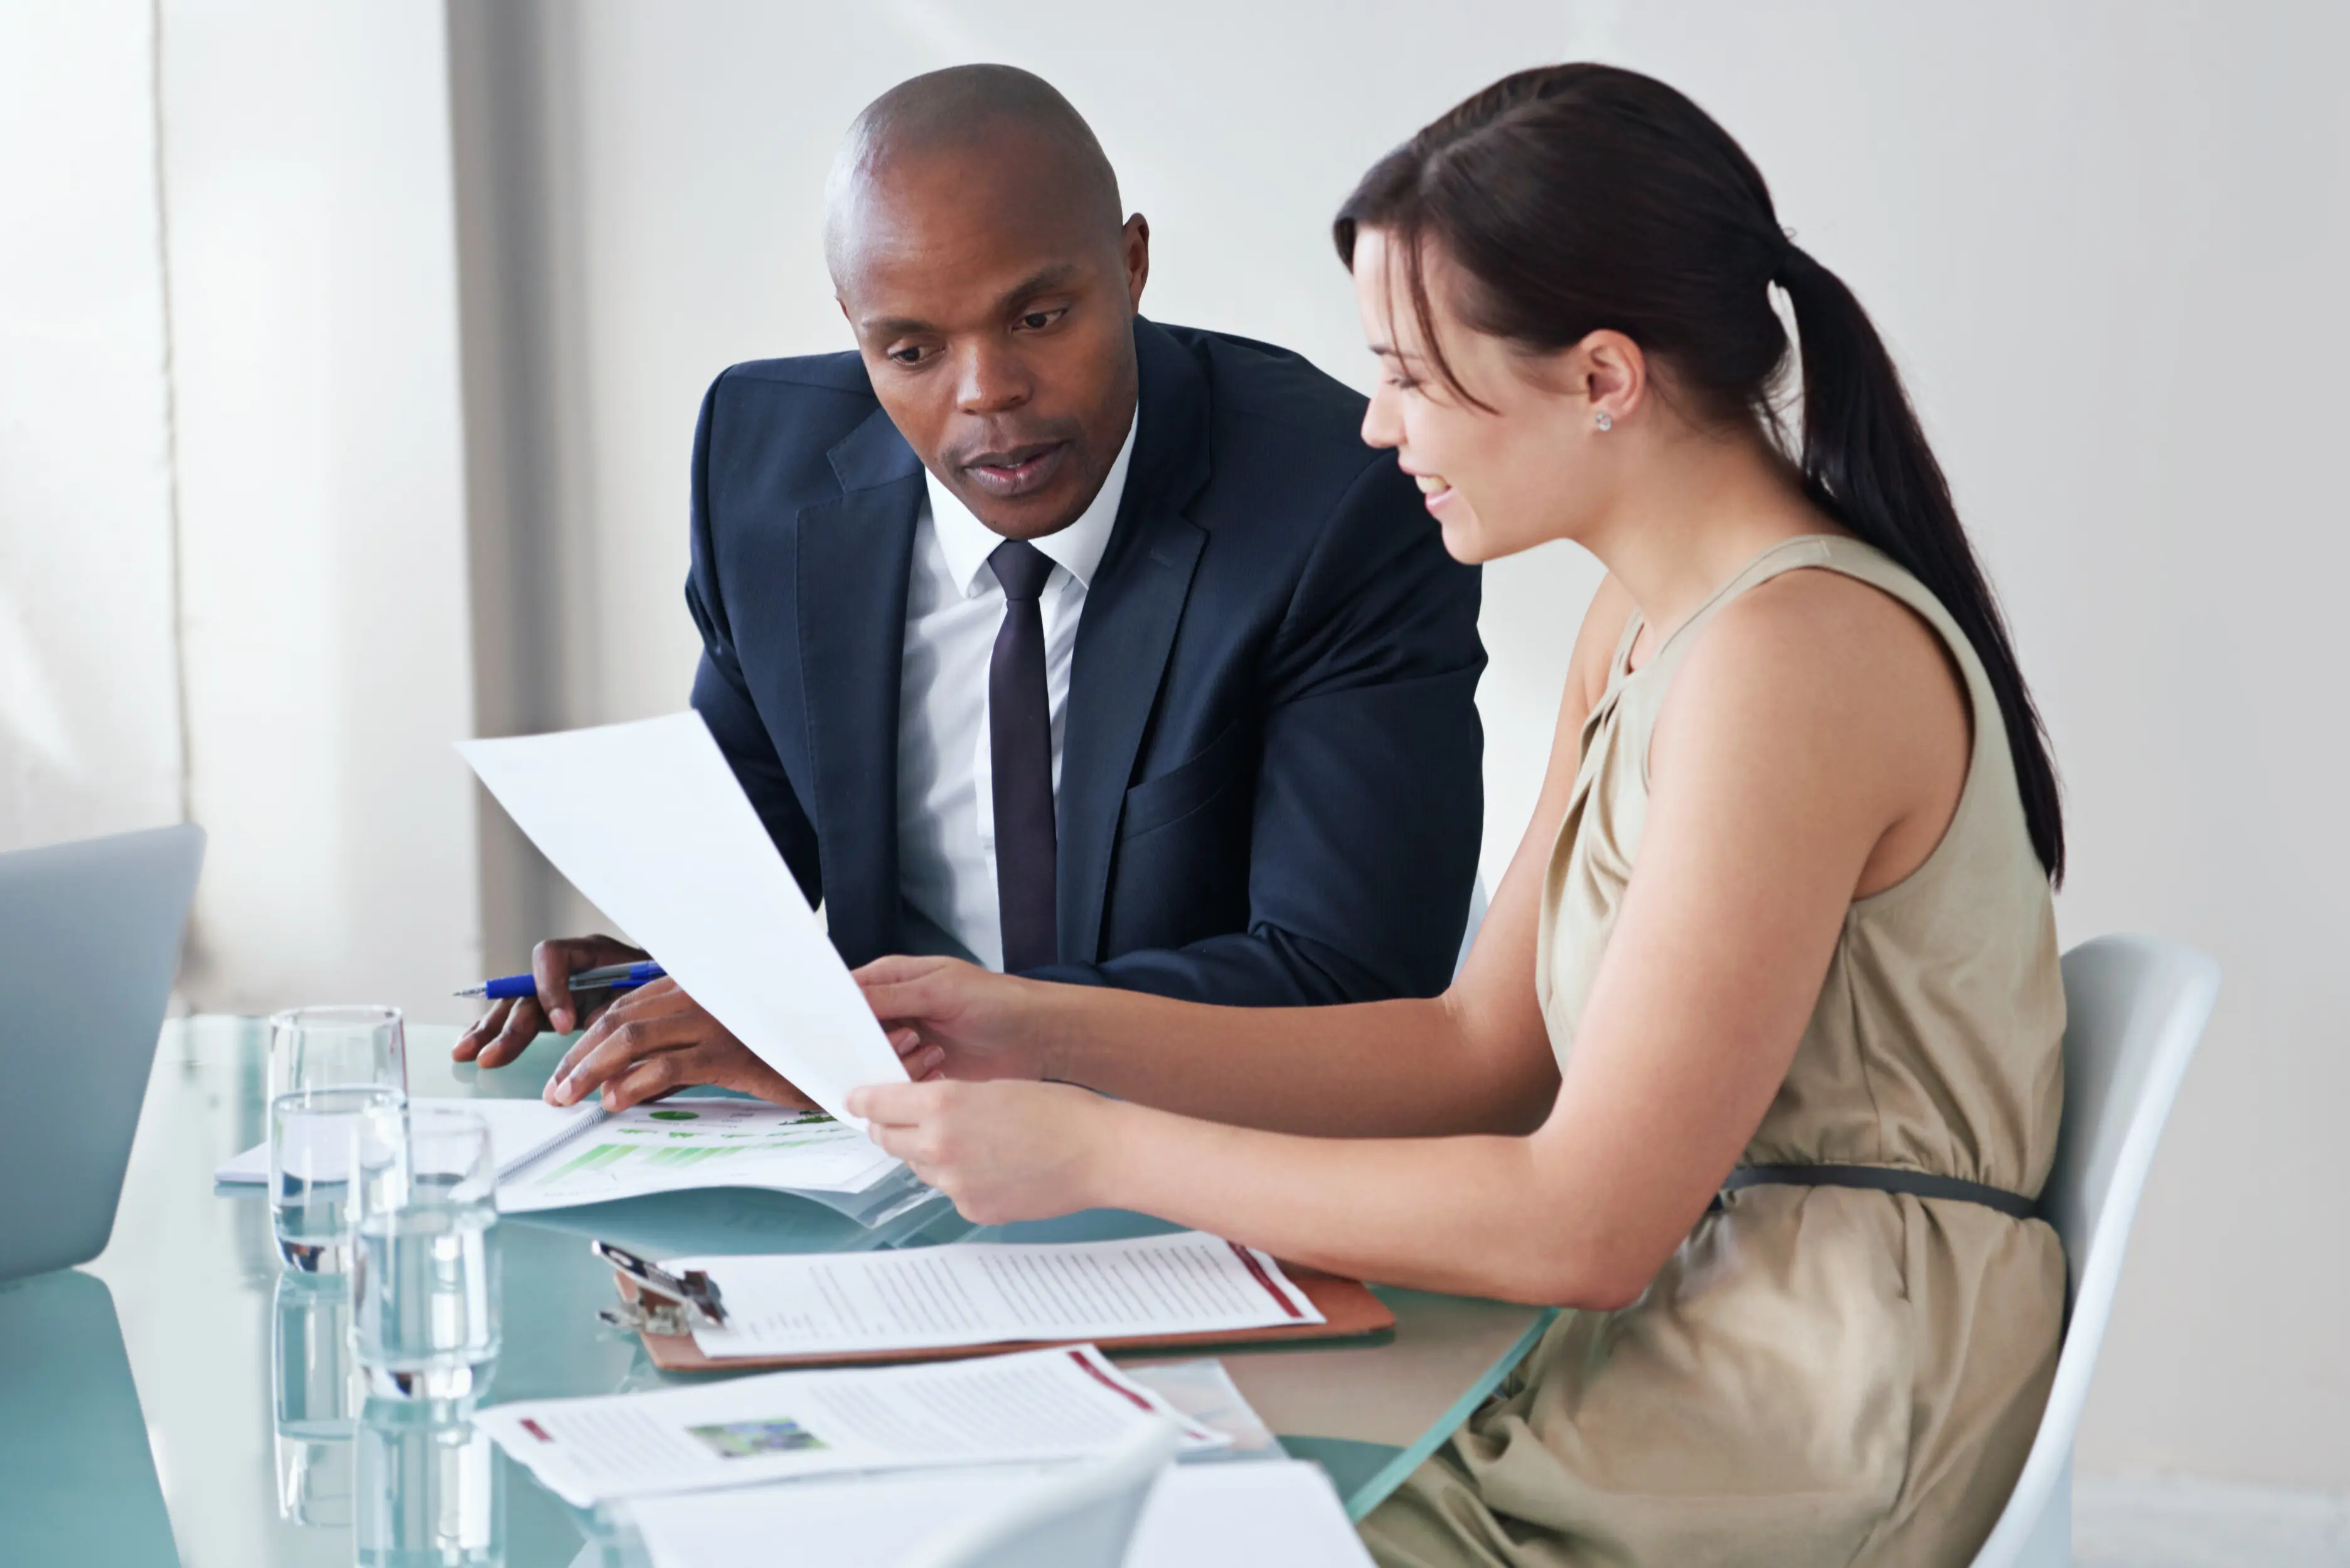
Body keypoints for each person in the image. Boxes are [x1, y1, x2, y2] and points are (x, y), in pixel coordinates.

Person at [840, 64, 2070, 1568]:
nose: (1375, 426)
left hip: (1795, 1400)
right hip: (1662, 1338)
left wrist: (1097, 1150)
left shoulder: (1791, 659)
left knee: (1127, 1518)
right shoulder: (1649, 619)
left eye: (1413, 375)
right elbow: (1477, 1054)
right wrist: (1030, 1025)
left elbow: (1588, 1226)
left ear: (1604, 379)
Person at [455, 66, 1485, 1107]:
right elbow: (753, 879)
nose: (986, 391)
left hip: (1188, 1175)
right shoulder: (764, 475)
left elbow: (1352, 987)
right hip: (882, 1181)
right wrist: (661, 983)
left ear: (1129, 266)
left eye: (1039, 318)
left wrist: (877, 1036)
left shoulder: (1336, 508)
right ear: (854, 324)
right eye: (911, 349)